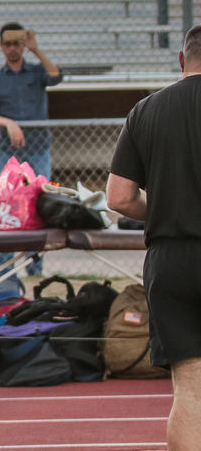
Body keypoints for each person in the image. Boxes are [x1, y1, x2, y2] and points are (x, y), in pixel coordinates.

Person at [107, 24, 201, 451]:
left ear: (182, 60)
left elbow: (120, 198)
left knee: (190, 386)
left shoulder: (145, 111)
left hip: (172, 261)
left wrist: (161, 204)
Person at [0, 23, 62, 179]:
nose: (12, 49)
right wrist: (9, 123)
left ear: (22, 45)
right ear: (1, 46)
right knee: (7, 196)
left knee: (41, 195)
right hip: (8, 149)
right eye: (8, 44)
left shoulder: (37, 72)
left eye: (16, 44)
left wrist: (35, 49)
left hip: (38, 147)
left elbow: (56, 76)